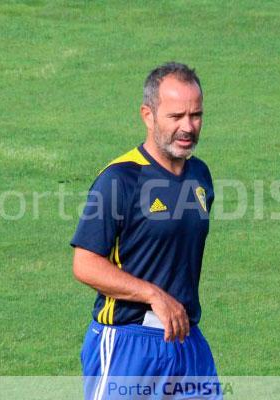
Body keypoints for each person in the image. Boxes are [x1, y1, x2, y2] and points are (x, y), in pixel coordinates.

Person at [71, 62, 221, 400]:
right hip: (128, 345)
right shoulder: (119, 179)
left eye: (195, 115)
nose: (188, 127)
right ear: (148, 115)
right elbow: (85, 263)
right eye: (176, 116)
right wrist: (154, 295)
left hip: (186, 340)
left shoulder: (200, 176)